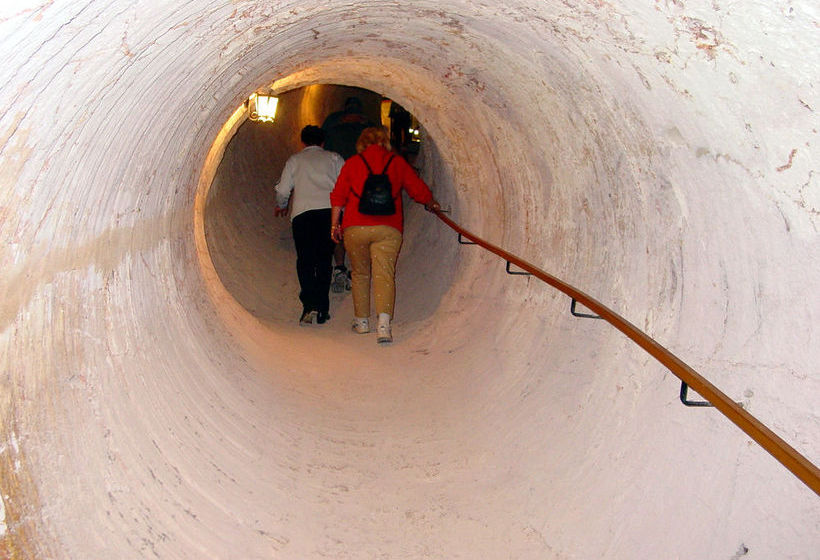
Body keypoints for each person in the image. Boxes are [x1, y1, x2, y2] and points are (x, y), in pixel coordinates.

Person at [329, 126, 440, 344]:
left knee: (360, 274)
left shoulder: (352, 163)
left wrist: (334, 225)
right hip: (389, 227)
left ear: (362, 143)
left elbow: (338, 196)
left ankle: (361, 322)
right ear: (384, 142)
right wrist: (431, 202)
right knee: (384, 275)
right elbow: (416, 189)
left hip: (355, 227)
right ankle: (383, 326)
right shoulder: (396, 163)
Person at [274, 125, 344, 325]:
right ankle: (323, 308)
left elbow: (283, 190)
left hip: (303, 215)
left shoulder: (295, 160)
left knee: (305, 260)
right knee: (324, 260)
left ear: (303, 142)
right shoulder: (334, 158)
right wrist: (343, 215)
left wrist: (282, 205)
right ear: (323, 142)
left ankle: (309, 306)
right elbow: (345, 185)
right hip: (328, 214)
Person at [322, 97, 375, 293]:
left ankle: (344, 267)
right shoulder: (360, 125)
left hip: (350, 181)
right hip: (351, 180)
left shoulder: (339, 123)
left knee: (347, 226)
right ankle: (346, 267)